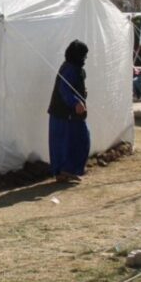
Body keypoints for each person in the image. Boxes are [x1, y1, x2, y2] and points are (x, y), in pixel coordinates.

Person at [48, 40, 90, 183]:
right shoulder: (69, 69)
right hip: (65, 114)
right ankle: (65, 170)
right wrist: (76, 102)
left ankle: (65, 171)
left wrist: (82, 94)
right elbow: (64, 89)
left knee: (67, 142)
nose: (85, 58)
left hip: (66, 114)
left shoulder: (74, 67)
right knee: (76, 141)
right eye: (83, 55)